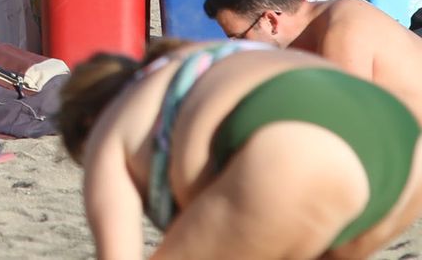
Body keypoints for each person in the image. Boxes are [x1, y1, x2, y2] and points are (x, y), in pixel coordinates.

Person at [58, 42, 422, 259]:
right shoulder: (196, 56)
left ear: (87, 123)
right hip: (402, 146)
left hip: (295, 147)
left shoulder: (108, 127)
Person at [205, 0, 422, 118]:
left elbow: (346, 126)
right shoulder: (317, 25)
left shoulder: (342, 30)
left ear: (271, 21)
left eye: (240, 37)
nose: (239, 48)